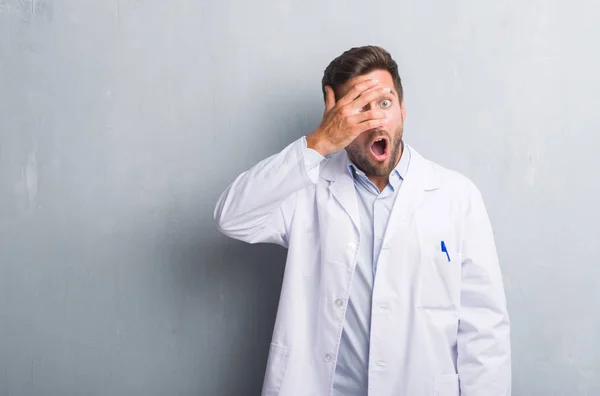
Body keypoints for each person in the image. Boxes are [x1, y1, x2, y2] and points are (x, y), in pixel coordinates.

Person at [214, 45, 511, 396]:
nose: (374, 120)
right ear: (336, 120)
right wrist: (319, 142)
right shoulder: (305, 188)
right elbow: (232, 217)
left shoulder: (456, 196)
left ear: (402, 109)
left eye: (384, 103)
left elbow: (484, 329)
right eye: (357, 109)